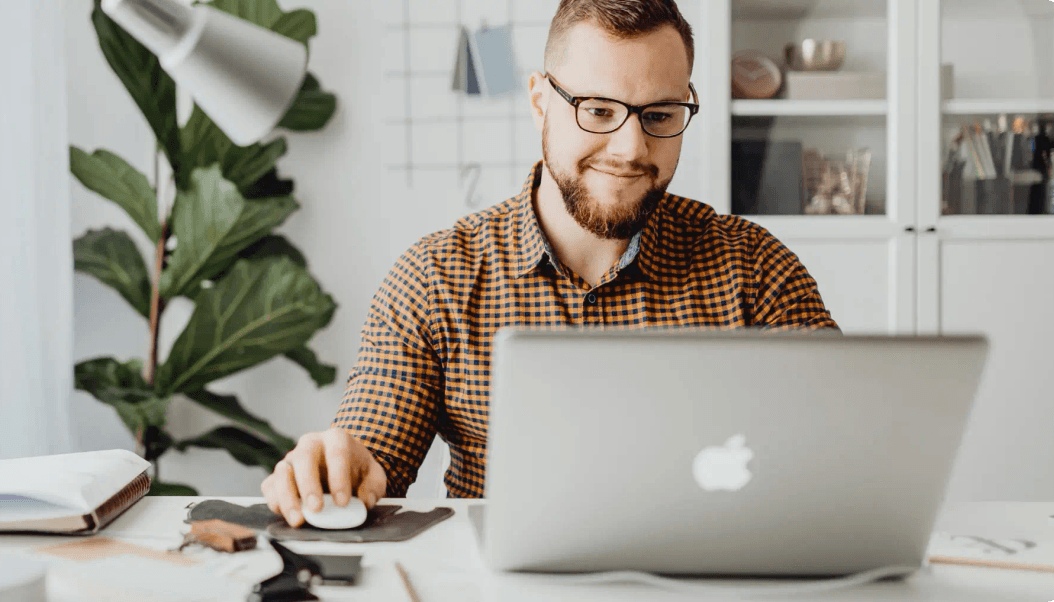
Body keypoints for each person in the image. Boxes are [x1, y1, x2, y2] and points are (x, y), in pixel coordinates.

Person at [261, 0, 838, 527]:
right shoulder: (436, 275)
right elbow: (372, 451)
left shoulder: (756, 267)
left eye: (660, 115)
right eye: (598, 109)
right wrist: (339, 466)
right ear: (540, 101)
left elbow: (846, 441)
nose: (631, 148)